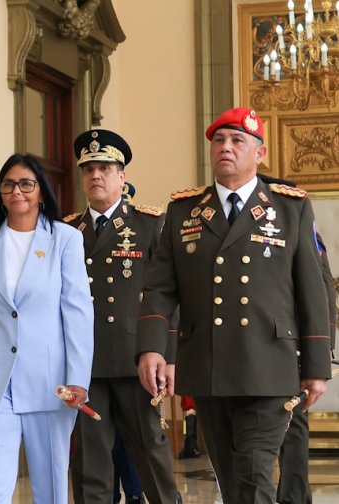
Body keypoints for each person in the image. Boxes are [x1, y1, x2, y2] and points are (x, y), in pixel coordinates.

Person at [136, 107, 332, 504]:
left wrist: (316, 367)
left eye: (237, 140)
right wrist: (153, 347)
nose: (226, 147)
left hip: (269, 367)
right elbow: (159, 288)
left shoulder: (289, 207)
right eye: (219, 141)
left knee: (255, 476)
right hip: (208, 367)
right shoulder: (184, 211)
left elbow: (312, 288)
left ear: (260, 153)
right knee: (232, 480)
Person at [0, 154, 94, 503]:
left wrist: (78, 378)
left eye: (26, 184)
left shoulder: (64, 239)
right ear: (0, 193)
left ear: (41, 191)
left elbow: (77, 313)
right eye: (9, 184)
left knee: (50, 489)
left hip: (50, 384)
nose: (17, 191)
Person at [65, 129, 182, 504]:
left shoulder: (150, 224)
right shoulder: (67, 230)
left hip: (136, 359)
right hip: (85, 364)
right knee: (89, 460)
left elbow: (169, 294)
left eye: (105, 168)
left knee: (150, 452)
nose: (96, 175)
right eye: (89, 169)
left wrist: (169, 355)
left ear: (122, 176)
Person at [254, 174, 337, 504]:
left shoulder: (295, 223)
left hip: (289, 345)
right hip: (248, 343)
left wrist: (320, 346)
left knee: (292, 423)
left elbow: (321, 284)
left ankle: (294, 497)